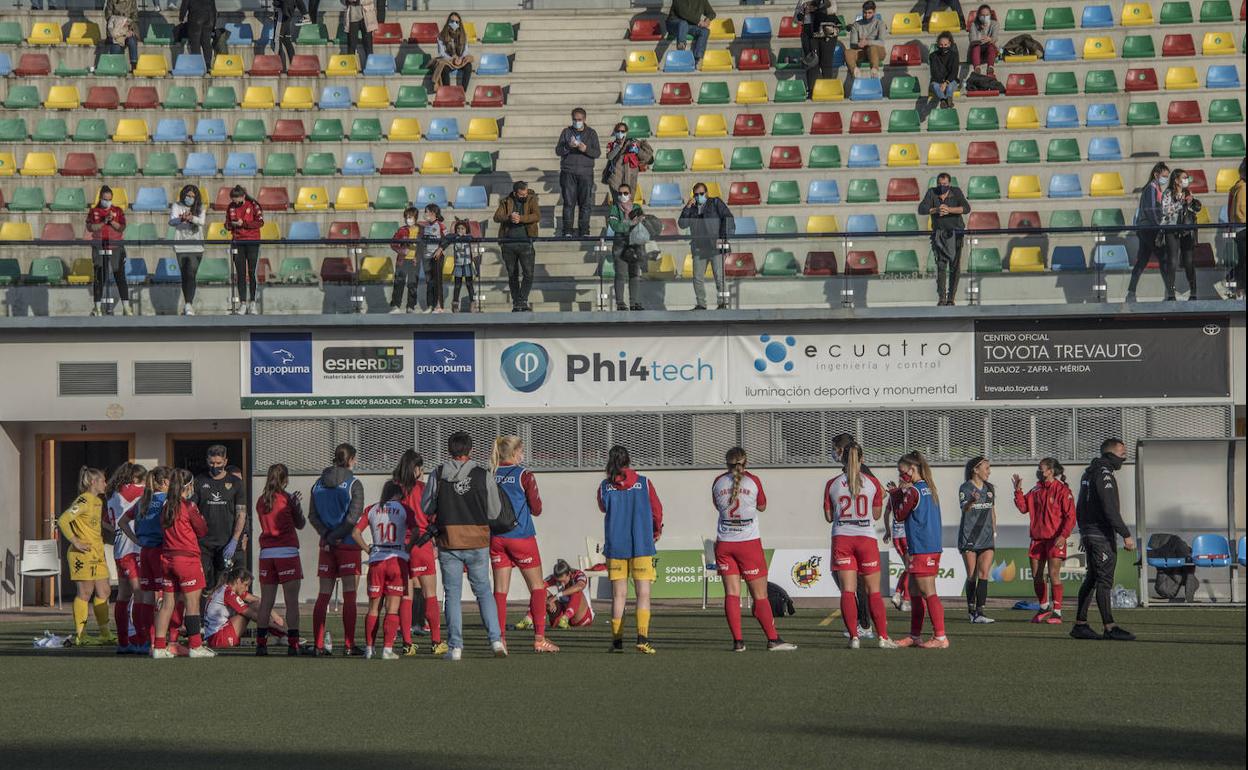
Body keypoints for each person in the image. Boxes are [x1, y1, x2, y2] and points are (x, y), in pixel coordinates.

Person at [421, 431, 508, 661]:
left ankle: (455, 647)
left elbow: (427, 507)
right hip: (478, 540)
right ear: (470, 450)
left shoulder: (438, 473)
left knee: (452, 595)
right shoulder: (483, 474)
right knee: (484, 592)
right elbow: (494, 511)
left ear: (449, 450)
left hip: (449, 541)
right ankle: (496, 640)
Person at [714, 448, 797, 652]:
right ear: (746, 462)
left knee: (732, 594)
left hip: (725, 542)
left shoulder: (718, 482)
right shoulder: (753, 481)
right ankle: (772, 639)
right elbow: (762, 506)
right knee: (760, 595)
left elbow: (718, 506)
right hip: (748, 543)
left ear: (727, 464)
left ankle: (738, 642)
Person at [824, 443, 896, 649]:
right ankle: (883, 636)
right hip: (865, 537)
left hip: (842, 538)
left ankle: (854, 637)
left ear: (842, 459)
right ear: (862, 459)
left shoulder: (832, 483)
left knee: (848, 591)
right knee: (873, 591)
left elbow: (829, 517)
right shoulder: (872, 482)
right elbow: (875, 514)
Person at [597, 445, 663, 654]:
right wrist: (656, 530)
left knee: (619, 595)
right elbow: (657, 510)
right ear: (629, 460)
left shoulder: (605, 486)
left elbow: (602, 506)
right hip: (641, 543)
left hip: (616, 546)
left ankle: (617, 642)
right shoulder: (643, 482)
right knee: (643, 593)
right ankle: (642, 638)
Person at [1071, 439, 1137, 642]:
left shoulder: (1089, 472)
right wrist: (1125, 534)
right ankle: (1110, 627)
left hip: (1090, 532)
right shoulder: (1104, 473)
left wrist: (1084, 531)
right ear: (1110, 454)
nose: (1124, 457)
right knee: (1104, 580)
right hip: (1100, 535)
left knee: (1092, 578)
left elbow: (1080, 506)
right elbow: (1110, 508)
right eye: (1122, 453)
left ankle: (1080, 625)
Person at [309, 443, 366, 656]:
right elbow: (353, 518)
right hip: (347, 545)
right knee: (349, 596)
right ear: (351, 459)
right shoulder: (354, 483)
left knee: (323, 595)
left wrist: (326, 536)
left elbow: (312, 516)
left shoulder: (318, 483)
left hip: (326, 546)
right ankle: (349, 645)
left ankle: (318, 645)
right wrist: (336, 536)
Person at [151, 468, 214, 658]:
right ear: (188, 486)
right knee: (192, 604)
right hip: (187, 560)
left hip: (167, 559)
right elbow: (202, 530)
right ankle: (196, 646)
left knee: (167, 604)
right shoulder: (188, 506)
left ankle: (159, 647)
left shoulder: (165, 506)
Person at [890, 451, 949, 649]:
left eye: (902, 472)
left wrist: (895, 494)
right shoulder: (928, 488)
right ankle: (915, 635)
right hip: (922, 546)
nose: (901, 476)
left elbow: (898, 515)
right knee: (914, 592)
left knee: (928, 592)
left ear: (913, 469)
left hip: (925, 547)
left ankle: (940, 637)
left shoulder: (914, 491)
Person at [353, 481, 417, 660]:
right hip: (397, 560)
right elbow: (417, 530)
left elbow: (355, 533)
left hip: (377, 561)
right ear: (399, 494)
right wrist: (408, 547)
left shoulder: (372, 509)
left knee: (373, 608)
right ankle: (387, 649)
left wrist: (368, 549)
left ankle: (369, 648)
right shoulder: (404, 509)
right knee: (392, 609)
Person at [1013, 458, 1076, 625]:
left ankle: (1057, 611)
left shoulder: (1062, 490)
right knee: (1036, 576)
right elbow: (1023, 508)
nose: (1038, 471)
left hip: (1055, 540)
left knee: (1054, 574)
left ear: (1051, 471)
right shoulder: (1036, 489)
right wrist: (1018, 491)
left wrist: (1063, 535)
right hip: (1037, 539)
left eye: (1041, 469)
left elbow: (1071, 517)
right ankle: (1043, 607)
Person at [394, 450, 444, 656]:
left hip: (401, 547)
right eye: (421, 469)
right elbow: (434, 517)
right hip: (422, 545)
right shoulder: (423, 489)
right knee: (429, 594)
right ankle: (436, 642)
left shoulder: (395, 491)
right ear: (416, 470)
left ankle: (407, 644)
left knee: (406, 596)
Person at [58, 467, 113, 646]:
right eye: (103, 480)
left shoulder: (98, 501)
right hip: (82, 555)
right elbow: (63, 520)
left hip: (97, 553)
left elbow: (97, 525)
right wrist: (76, 542)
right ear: (93, 482)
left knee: (105, 591)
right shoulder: (83, 500)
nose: (106, 483)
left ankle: (105, 633)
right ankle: (81, 635)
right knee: (85, 593)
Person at [255, 463, 305, 656]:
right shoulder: (288, 498)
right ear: (285, 479)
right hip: (287, 553)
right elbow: (300, 523)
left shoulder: (261, 500)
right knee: (291, 602)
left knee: (266, 601)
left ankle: (261, 644)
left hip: (267, 553)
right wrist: (296, 504)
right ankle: (293, 645)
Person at [104, 462, 146, 653]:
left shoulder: (114, 494)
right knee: (139, 594)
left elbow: (107, 522)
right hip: (132, 549)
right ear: (134, 479)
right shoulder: (129, 491)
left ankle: (123, 642)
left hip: (120, 549)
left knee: (123, 595)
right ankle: (139, 640)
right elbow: (151, 491)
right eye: (142, 479)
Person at [192, 445, 246, 592]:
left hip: (226, 542)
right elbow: (191, 510)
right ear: (207, 461)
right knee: (204, 585)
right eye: (211, 463)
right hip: (204, 543)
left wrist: (235, 539)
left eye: (218, 463)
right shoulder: (199, 481)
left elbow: (241, 513)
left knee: (225, 585)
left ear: (225, 461)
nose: (215, 466)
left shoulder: (236, 483)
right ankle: (202, 614)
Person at [679, 183, 736, 310]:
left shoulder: (715, 202)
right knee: (697, 278)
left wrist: (723, 239)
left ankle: (723, 303)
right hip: (699, 247)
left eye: (701, 193)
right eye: (696, 194)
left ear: (707, 193)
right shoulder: (692, 208)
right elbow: (682, 224)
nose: (699, 196)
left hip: (715, 246)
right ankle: (701, 304)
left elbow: (728, 218)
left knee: (719, 277)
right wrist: (687, 207)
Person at [918, 172, 971, 306]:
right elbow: (922, 209)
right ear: (937, 184)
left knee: (955, 266)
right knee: (941, 266)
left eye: (945, 184)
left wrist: (949, 210)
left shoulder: (956, 192)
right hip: (939, 234)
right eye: (940, 184)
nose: (942, 186)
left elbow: (966, 208)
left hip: (956, 233)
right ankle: (942, 297)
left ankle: (951, 298)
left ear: (949, 184)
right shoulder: (932, 192)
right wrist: (936, 210)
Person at [204, 567, 289, 649]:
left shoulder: (226, 589)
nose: (247, 588)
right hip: (219, 638)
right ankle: (282, 635)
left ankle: (279, 634)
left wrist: (275, 616)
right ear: (238, 581)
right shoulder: (228, 593)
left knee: (255, 606)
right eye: (246, 585)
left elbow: (258, 600)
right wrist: (278, 628)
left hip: (214, 638)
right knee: (251, 611)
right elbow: (252, 615)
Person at [958, 456, 997, 624]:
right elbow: (965, 509)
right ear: (976, 470)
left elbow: (992, 512)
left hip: (987, 538)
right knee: (972, 575)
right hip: (970, 538)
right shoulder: (965, 488)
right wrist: (972, 501)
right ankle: (971, 609)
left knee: (984, 574)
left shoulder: (989, 489)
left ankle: (980, 611)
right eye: (986, 468)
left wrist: (994, 531)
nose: (989, 471)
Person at [492, 181, 540, 312]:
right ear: (515, 193)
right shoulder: (506, 201)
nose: (524, 196)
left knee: (529, 274)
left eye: (525, 194)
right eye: (521, 194)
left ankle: (522, 300)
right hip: (508, 244)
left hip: (526, 242)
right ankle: (516, 302)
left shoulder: (532, 199)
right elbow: (496, 217)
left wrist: (521, 218)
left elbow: (537, 216)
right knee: (512, 274)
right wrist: (509, 217)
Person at [85, 185, 132, 317]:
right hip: (99, 247)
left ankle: (126, 307)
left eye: (110, 199)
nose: (107, 201)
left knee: (120, 276)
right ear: (100, 198)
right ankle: (97, 308)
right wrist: (103, 221)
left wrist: (111, 221)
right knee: (100, 277)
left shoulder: (118, 210)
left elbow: (121, 228)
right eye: (105, 199)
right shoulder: (93, 211)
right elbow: (90, 227)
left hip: (116, 247)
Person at [1127, 162, 1170, 302]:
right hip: (1149, 229)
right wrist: (1159, 226)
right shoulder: (1151, 189)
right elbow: (1150, 210)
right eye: (1164, 176)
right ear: (1156, 174)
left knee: (1143, 260)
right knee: (1163, 258)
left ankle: (1131, 293)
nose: (1165, 179)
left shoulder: (1156, 188)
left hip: (1147, 228)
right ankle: (1170, 293)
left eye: (1167, 176)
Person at [555, 108, 601, 239]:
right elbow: (558, 151)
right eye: (574, 119)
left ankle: (584, 231)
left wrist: (585, 149)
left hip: (586, 173)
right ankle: (567, 231)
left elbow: (597, 153)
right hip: (568, 172)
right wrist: (568, 146)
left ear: (584, 119)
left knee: (585, 204)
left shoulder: (591, 133)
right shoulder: (566, 132)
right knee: (569, 203)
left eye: (579, 119)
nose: (577, 122)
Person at [515, 559, 595, 630]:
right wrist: (548, 602)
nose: (562, 584)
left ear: (569, 574)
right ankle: (528, 619)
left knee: (576, 590)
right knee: (540, 591)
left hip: (580, 618)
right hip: (560, 618)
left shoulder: (577, 574)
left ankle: (565, 617)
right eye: (559, 581)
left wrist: (556, 596)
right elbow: (537, 588)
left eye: (563, 581)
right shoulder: (554, 578)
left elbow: (579, 586)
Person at [1160, 168, 1203, 301]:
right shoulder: (1167, 193)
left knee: (1188, 261)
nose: (1186, 180)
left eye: (1187, 178)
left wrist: (1191, 201)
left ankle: (1193, 291)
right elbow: (1165, 210)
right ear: (1176, 180)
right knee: (1172, 262)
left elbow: (1195, 210)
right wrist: (1180, 203)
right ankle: (1171, 293)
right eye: (1184, 178)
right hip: (1172, 230)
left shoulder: (1188, 192)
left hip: (1186, 230)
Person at [225, 185, 264, 315]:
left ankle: (253, 302)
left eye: (236, 198)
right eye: (233, 199)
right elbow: (227, 224)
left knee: (252, 273)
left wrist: (244, 224)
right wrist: (230, 225)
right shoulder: (230, 207)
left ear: (243, 196)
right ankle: (242, 303)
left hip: (252, 242)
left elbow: (260, 222)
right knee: (240, 273)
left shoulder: (253, 205)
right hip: (237, 242)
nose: (235, 201)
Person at [606, 183, 646, 312]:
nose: (622, 196)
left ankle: (635, 303)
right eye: (620, 193)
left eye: (625, 193)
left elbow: (641, 223)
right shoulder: (614, 209)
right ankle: (620, 303)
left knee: (634, 275)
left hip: (634, 245)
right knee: (621, 274)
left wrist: (625, 223)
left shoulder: (636, 207)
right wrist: (630, 224)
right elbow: (614, 226)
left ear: (630, 194)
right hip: (620, 245)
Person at [169, 185, 206, 316]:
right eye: (188, 195)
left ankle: (188, 304)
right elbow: (172, 222)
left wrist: (192, 218)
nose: (189, 198)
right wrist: (181, 218)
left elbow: (201, 222)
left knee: (191, 275)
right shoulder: (176, 206)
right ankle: (188, 304)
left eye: (192, 196)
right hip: (181, 246)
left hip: (196, 246)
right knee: (186, 274)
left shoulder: (200, 207)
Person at [1215, 159, 1245, 300]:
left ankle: (1232, 286)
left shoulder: (1237, 186)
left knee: (1244, 262)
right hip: (1243, 229)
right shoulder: (1243, 187)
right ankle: (1237, 289)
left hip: (1239, 229)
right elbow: (1240, 212)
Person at [603, 123, 654, 205]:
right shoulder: (612, 145)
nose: (620, 133)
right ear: (615, 132)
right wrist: (619, 146)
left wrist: (638, 151)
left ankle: (627, 217)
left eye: (622, 131)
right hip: (616, 177)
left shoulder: (634, 142)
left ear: (626, 132)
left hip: (630, 176)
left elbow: (648, 158)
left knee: (629, 203)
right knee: (617, 203)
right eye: (618, 131)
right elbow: (609, 157)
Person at [389, 206, 422, 314]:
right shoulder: (401, 230)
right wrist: (401, 251)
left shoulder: (421, 230)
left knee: (412, 284)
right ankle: (395, 306)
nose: (408, 220)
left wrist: (417, 257)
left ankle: (411, 306)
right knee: (399, 283)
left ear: (416, 218)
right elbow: (393, 243)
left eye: (411, 217)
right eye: (406, 217)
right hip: (402, 261)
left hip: (414, 261)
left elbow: (422, 246)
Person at [432, 12, 474, 91]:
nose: (454, 23)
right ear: (448, 21)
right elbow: (441, 53)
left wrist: (460, 58)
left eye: (456, 22)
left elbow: (465, 51)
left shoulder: (464, 35)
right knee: (443, 68)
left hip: (460, 59)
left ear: (459, 23)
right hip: (448, 60)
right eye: (452, 21)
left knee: (468, 66)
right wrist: (453, 59)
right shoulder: (441, 36)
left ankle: (463, 91)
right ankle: (447, 92)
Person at [844, 1, 885, 79]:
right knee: (848, 52)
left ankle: (874, 70)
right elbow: (853, 44)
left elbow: (882, 42)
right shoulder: (856, 24)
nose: (867, 15)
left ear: (874, 12)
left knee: (872, 48)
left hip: (877, 51)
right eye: (865, 12)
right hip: (861, 51)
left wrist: (867, 42)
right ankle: (855, 72)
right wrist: (858, 44)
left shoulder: (880, 23)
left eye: (869, 13)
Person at [666, 0, 715, 65]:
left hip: (689, 26)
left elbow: (711, 13)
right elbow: (683, 13)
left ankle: (697, 58)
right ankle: (681, 49)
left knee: (705, 31)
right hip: (674, 24)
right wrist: (699, 21)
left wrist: (708, 19)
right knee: (683, 23)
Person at [883, 492, 910, 612]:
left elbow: (886, 514)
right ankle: (905, 598)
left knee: (908, 567)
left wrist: (888, 531)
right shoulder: (910, 493)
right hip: (906, 536)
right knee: (910, 568)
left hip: (896, 537)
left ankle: (898, 594)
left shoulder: (893, 495)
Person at [420, 204, 448, 313]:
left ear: (434, 213)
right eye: (425, 212)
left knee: (437, 281)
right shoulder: (425, 226)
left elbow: (448, 238)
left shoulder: (441, 225)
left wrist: (440, 249)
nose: (426, 214)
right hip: (426, 257)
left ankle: (439, 306)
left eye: (427, 212)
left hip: (437, 257)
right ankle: (430, 306)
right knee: (429, 282)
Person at [447, 219, 478, 313]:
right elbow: (449, 236)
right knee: (457, 285)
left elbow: (472, 240)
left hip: (467, 264)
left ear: (466, 230)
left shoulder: (468, 238)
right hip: (458, 264)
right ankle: (455, 304)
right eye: (458, 229)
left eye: (462, 229)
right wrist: (456, 235)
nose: (460, 231)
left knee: (469, 284)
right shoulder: (454, 238)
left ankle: (473, 303)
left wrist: (464, 236)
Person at [178, 0, 217, 71]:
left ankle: (198, 65)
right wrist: (214, 24)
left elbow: (184, 5)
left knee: (195, 43)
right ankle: (208, 65)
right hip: (209, 19)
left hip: (195, 18)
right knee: (206, 43)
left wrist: (181, 17)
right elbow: (214, 9)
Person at [103, 0, 139, 68]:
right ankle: (115, 66)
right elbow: (108, 15)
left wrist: (129, 26)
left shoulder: (132, 1)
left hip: (128, 28)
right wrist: (120, 22)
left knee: (132, 41)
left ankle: (134, 65)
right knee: (116, 44)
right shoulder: (111, 1)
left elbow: (135, 16)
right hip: (116, 29)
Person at [273, 0, 307, 72]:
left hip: (282, 12)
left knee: (277, 39)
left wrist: (305, 13)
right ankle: (294, 67)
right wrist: (304, 13)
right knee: (286, 40)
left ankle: (277, 66)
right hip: (287, 11)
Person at [928, 31, 959, 109]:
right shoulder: (933, 56)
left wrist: (946, 83)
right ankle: (943, 100)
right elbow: (934, 72)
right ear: (937, 44)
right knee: (935, 86)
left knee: (950, 87)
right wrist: (942, 82)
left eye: (945, 45)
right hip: (937, 81)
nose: (943, 47)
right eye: (941, 45)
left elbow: (954, 72)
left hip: (951, 80)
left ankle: (948, 98)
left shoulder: (954, 55)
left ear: (950, 44)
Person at [967, 5, 998, 75]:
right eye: (982, 15)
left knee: (991, 46)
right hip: (977, 48)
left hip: (989, 47)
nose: (985, 17)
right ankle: (977, 68)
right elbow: (972, 40)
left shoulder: (995, 24)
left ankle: (990, 67)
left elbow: (995, 38)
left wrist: (990, 39)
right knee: (976, 46)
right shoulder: (974, 25)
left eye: (987, 15)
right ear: (978, 15)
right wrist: (984, 36)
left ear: (990, 15)